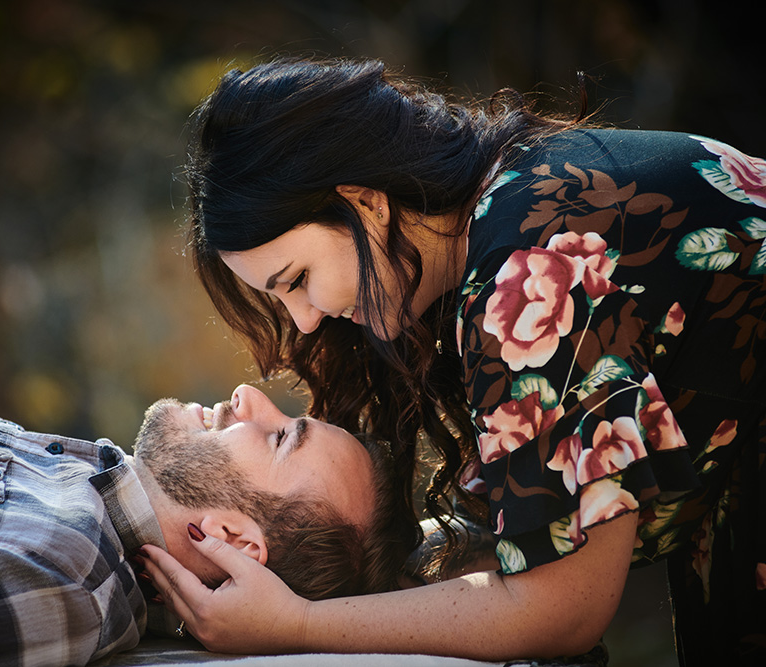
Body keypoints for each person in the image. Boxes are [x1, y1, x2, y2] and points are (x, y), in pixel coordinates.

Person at [137, 57, 766, 665]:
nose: (302, 320)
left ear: (364, 203)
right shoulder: (501, 212)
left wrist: (294, 625)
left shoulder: (526, 271)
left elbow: (565, 608)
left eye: (297, 278)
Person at [0, 335, 415, 666]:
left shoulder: (64, 570)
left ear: (235, 538)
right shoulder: (79, 483)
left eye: (278, 437)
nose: (249, 395)